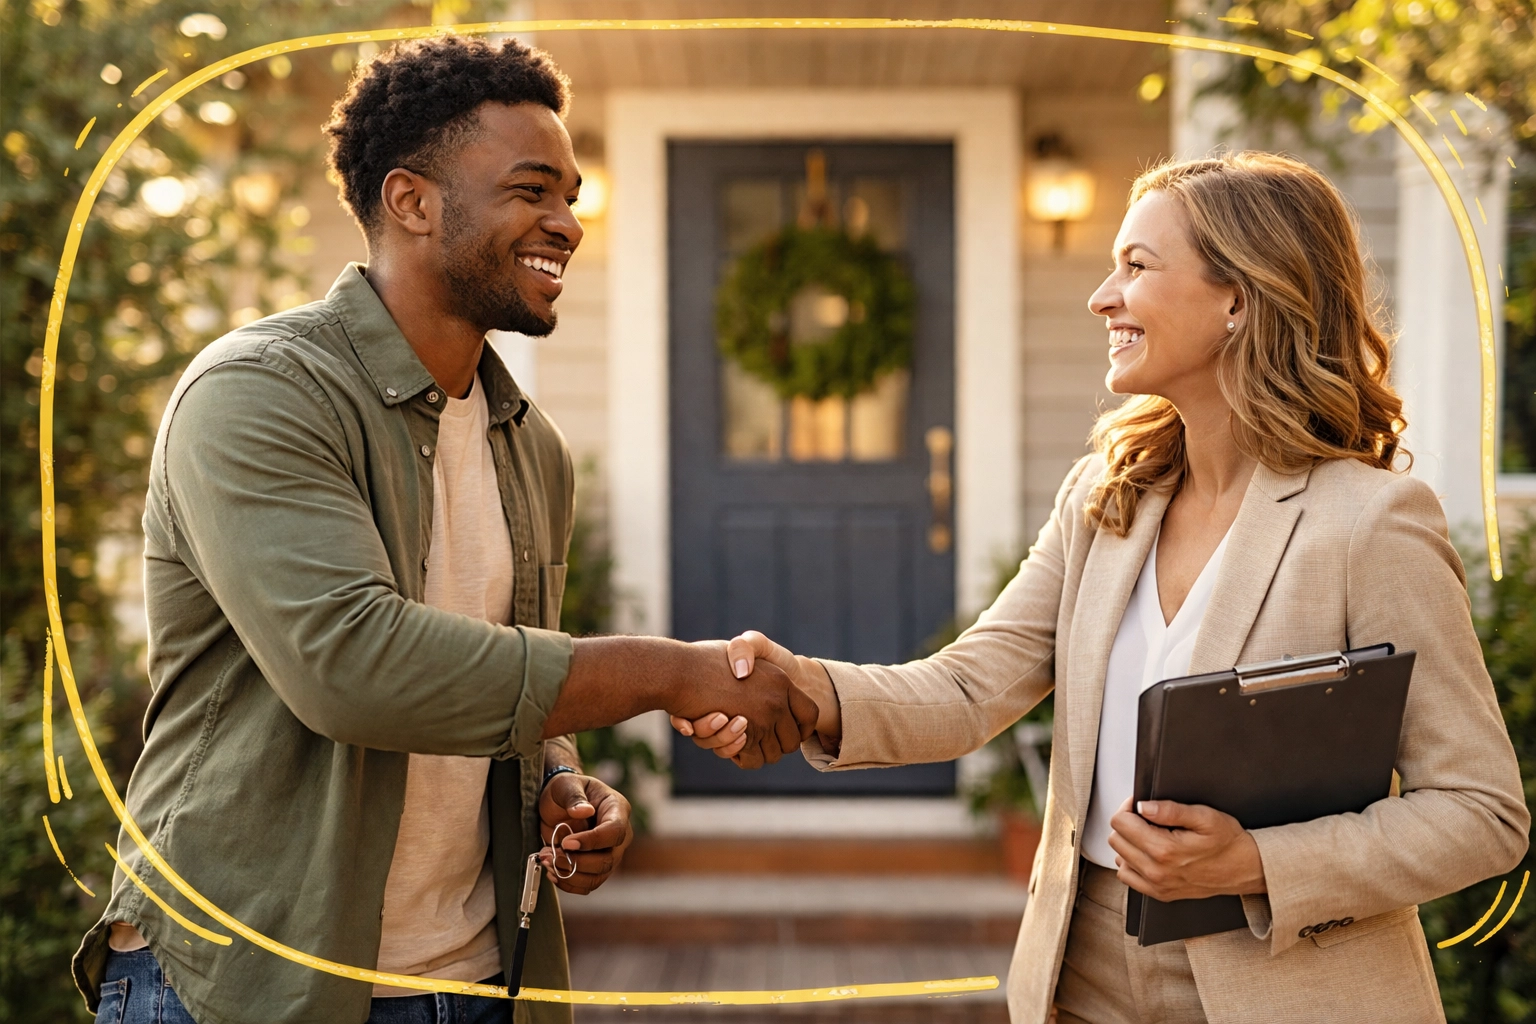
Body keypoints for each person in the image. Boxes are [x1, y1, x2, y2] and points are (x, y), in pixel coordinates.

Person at [677, 152, 1529, 1023]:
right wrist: (806, 686)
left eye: (1136, 266)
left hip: (1284, 985)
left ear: (1239, 298)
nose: (1101, 297)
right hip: (1081, 965)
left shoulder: (1370, 523)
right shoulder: (1106, 498)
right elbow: (970, 687)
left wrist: (1257, 864)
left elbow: (1481, 811)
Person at [77, 36, 816, 1024]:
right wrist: (669, 671)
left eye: (571, 194)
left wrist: (560, 782)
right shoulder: (258, 394)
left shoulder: (529, 444)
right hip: (241, 981)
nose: (567, 222)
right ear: (412, 202)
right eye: (532, 190)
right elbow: (353, 663)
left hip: (468, 980)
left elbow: (488, 678)